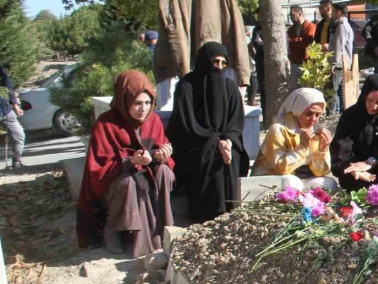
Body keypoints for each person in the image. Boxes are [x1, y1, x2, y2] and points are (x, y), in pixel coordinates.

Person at [76, 71, 175, 257]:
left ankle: (163, 228)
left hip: (147, 178)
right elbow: (98, 170)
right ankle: (114, 231)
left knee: (165, 172)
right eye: (137, 103)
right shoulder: (106, 124)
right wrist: (130, 162)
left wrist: (161, 155)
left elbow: (160, 148)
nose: (143, 109)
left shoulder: (153, 120)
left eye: (147, 103)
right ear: (124, 100)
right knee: (128, 182)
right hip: (113, 185)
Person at [168, 42, 249, 222]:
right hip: (196, 142)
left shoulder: (229, 87)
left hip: (224, 141)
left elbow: (235, 122)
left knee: (233, 156)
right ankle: (206, 214)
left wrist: (228, 140)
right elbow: (186, 123)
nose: (219, 67)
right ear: (205, 61)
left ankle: (231, 211)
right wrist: (215, 142)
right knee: (209, 157)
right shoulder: (186, 86)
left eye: (223, 63)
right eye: (215, 62)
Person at [253, 88, 337, 192]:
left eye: (317, 115)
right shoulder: (278, 129)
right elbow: (281, 169)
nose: (313, 119)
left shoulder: (316, 131)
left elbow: (320, 173)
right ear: (298, 110)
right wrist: (302, 146)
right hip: (273, 178)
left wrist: (322, 150)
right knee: (291, 183)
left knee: (329, 184)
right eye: (308, 114)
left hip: (302, 179)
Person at [329, 3, 354, 114]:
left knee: (333, 91)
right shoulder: (340, 24)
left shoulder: (341, 25)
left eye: (333, 11)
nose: (331, 13)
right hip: (342, 62)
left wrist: (333, 64)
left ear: (338, 12)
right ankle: (344, 114)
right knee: (341, 90)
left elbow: (339, 45)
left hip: (339, 64)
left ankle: (333, 114)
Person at [0, 65, 26, 169]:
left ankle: (17, 162)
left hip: (5, 110)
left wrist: (15, 106)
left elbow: (8, 88)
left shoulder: (2, 71)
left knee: (19, 135)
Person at [288, 5, 317, 89]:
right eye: (290, 15)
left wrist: (295, 41)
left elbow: (307, 42)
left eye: (292, 15)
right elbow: (290, 43)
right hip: (294, 62)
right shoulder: (291, 29)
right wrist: (299, 40)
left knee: (307, 89)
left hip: (306, 63)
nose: (291, 17)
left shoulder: (311, 26)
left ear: (300, 14)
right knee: (295, 90)